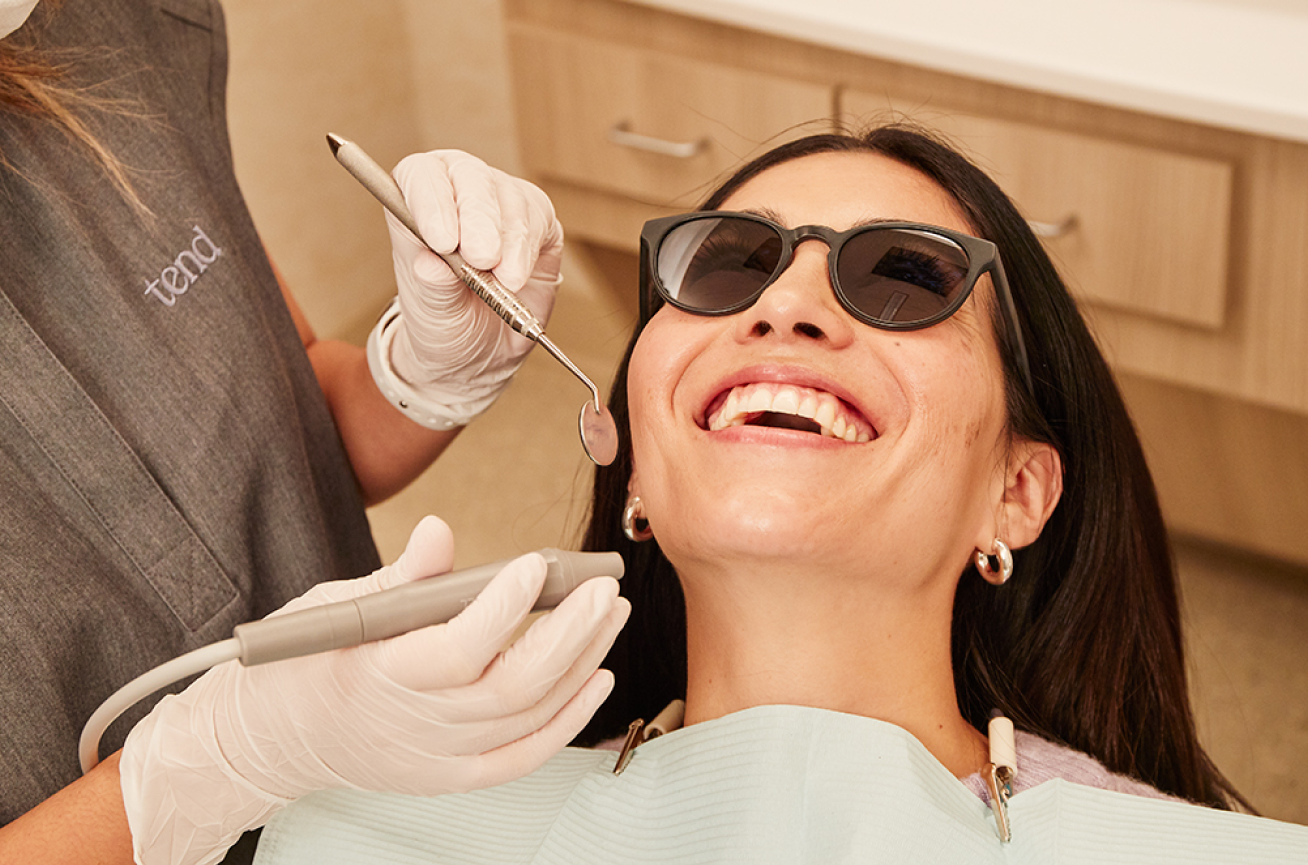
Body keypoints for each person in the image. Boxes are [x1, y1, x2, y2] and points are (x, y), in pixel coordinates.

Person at [247, 124, 1283, 863]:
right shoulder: (369, 833)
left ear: (1015, 493)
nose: (787, 305)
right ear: (636, 472)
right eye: (729, 264)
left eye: (906, 277)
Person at [0, 0, 627, 865]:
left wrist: (423, 371)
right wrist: (205, 767)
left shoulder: (74, 9)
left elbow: (291, 420)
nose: (792, 317)